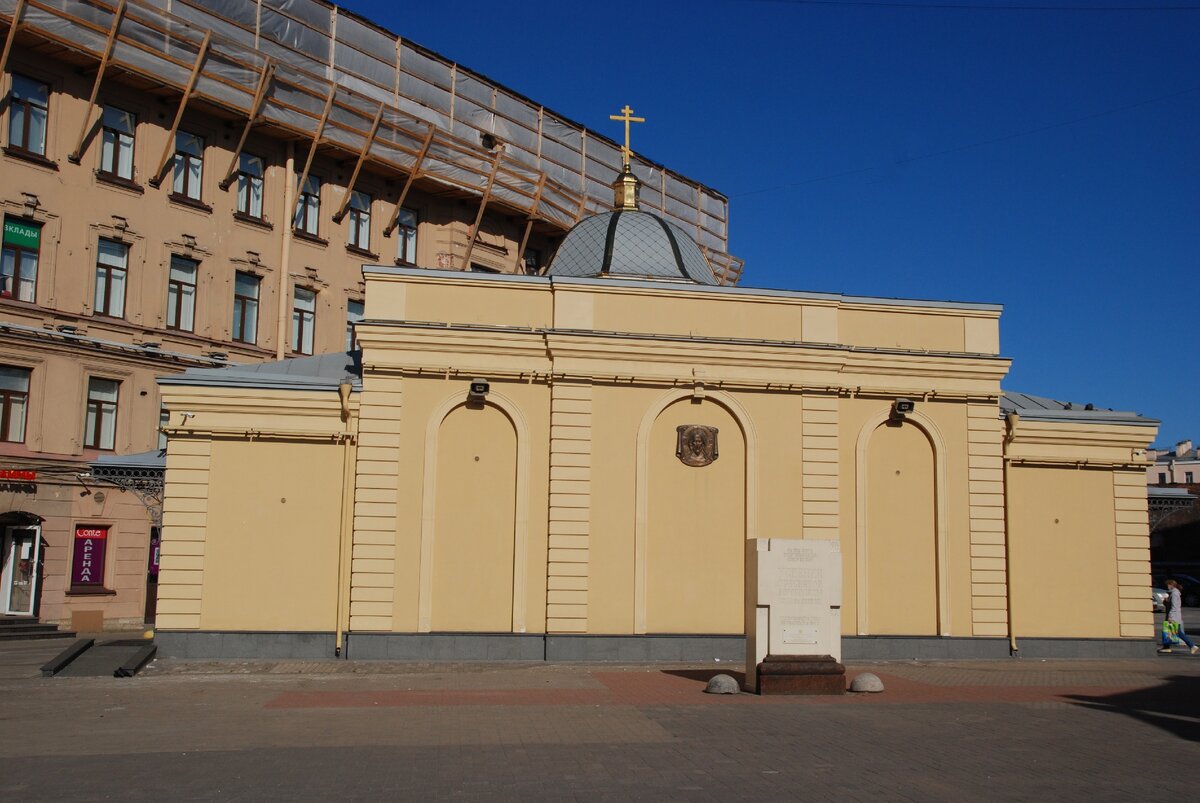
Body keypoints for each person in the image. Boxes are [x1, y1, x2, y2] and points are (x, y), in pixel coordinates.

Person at [1158, 579, 1198, 654]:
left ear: (1171, 585)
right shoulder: (1172, 593)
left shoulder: (1174, 593)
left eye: (1167, 585)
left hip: (1173, 617)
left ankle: (1192, 645)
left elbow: (1174, 606)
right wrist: (1165, 602)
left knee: (1178, 632)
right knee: (1167, 631)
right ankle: (1166, 647)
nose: (1167, 586)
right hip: (1173, 616)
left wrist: (1170, 616)